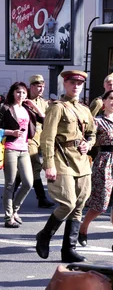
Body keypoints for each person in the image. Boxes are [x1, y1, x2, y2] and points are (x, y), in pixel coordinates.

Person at [35, 70, 97, 262]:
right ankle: (44, 235)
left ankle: (68, 250)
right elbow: (47, 138)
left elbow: (92, 133)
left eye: (79, 83)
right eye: (72, 82)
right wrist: (49, 165)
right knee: (68, 202)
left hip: (81, 160)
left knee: (79, 205)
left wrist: (89, 143)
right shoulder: (57, 107)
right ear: (65, 84)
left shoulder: (85, 109)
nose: (76, 86)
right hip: (62, 159)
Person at [78, 91, 113, 252]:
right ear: (104, 101)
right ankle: (83, 227)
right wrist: (87, 146)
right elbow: (90, 139)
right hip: (105, 161)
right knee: (101, 203)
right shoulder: (97, 122)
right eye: (111, 99)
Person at [0, 82, 45, 228]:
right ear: (13, 92)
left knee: (28, 183)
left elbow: (43, 119)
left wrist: (34, 106)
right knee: (10, 184)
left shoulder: (27, 108)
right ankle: (8, 218)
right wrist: (11, 132)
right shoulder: (5, 108)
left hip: (24, 149)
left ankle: (14, 210)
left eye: (24, 93)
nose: (21, 95)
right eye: (18, 92)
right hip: (10, 148)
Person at [13, 75, 55, 208]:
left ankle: (10, 191)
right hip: (28, 139)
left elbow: (46, 120)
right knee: (36, 166)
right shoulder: (24, 101)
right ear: (31, 87)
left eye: (42, 86)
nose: (41, 89)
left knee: (22, 170)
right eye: (38, 86)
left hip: (41, 138)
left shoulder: (43, 102)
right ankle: (41, 198)